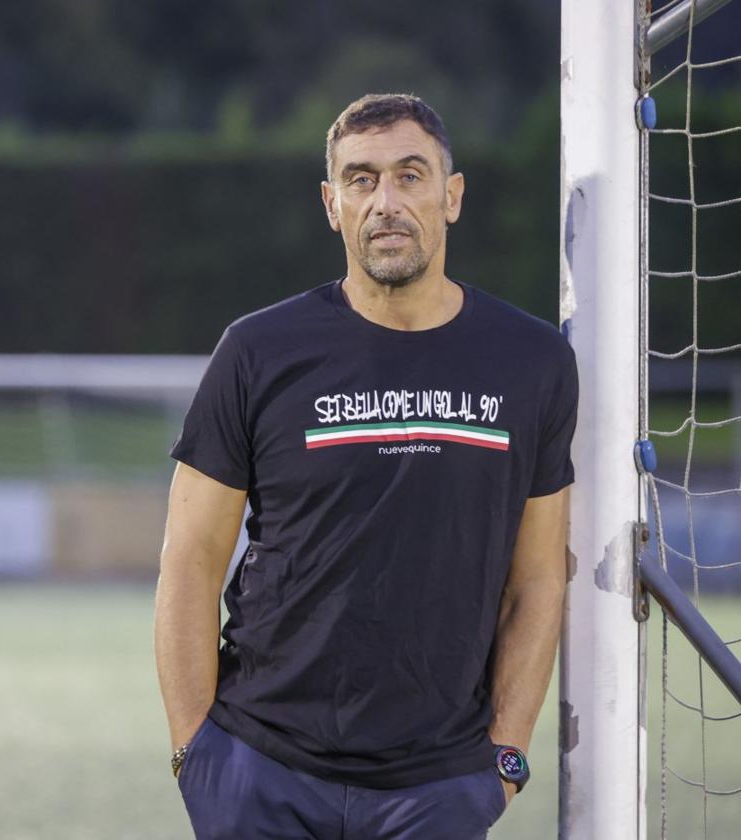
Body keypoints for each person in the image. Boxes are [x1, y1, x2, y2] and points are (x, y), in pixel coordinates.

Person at [153, 93, 577, 840]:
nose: (385, 201)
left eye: (410, 175)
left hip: (438, 786)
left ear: (451, 197)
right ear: (331, 203)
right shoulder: (257, 353)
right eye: (360, 179)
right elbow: (189, 562)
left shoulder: (533, 361)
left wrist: (505, 754)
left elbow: (539, 576)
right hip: (261, 769)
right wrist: (198, 753)